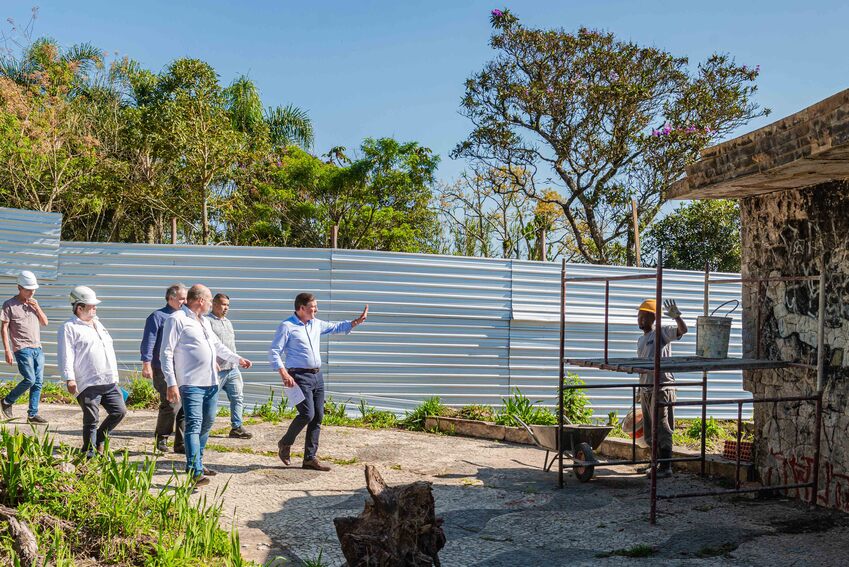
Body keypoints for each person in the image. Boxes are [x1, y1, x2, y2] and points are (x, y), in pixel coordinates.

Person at [160, 284, 252, 486]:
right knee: (193, 424)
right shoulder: (177, 319)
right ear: (200, 300)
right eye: (210, 300)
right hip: (191, 383)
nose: (212, 303)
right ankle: (195, 470)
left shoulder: (204, 322)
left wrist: (237, 359)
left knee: (208, 422)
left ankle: (198, 462)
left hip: (211, 381)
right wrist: (171, 383)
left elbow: (218, 347)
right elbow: (166, 352)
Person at [269, 293, 368, 471]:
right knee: (307, 414)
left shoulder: (316, 324)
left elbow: (336, 327)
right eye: (312, 307)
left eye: (315, 307)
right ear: (301, 308)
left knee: (318, 416)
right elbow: (274, 352)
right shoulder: (287, 326)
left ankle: (309, 458)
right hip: (298, 376)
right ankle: (285, 443)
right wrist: (284, 373)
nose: (316, 310)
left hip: (317, 376)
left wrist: (356, 322)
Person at [58, 286, 127, 458]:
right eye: (91, 306)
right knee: (91, 419)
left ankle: (100, 439)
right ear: (79, 307)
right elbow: (66, 354)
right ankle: (88, 453)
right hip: (88, 381)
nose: (95, 308)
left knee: (119, 411)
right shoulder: (69, 327)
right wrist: (69, 378)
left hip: (109, 380)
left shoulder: (98, 324)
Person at [636, 298, 688, 479]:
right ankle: (655, 464)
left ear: (653, 318)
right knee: (650, 429)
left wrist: (677, 318)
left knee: (662, 427)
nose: (640, 320)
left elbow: (683, 331)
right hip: (646, 389)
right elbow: (642, 367)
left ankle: (666, 467)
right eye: (639, 316)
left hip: (661, 387)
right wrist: (639, 390)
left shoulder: (661, 333)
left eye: (644, 316)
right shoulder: (641, 340)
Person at [140, 284, 187, 454]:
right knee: (171, 402)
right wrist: (146, 364)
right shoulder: (158, 316)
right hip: (162, 368)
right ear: (171, 298)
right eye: (182, 298)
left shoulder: (185, 317)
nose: (185, 301)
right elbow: (148, 341)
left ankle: (181, 443)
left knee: (184, 405)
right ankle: (162, 437)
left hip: (182, 368)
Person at [0, 270, 49, 423]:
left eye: (33, 289)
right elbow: (4, 329)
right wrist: (7, 350)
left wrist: (37, 307)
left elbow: (45, 322)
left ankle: (32, 415)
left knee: (39, 381)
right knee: (30, 379)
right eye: (28, 289)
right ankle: (7, 401)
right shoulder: (9, 305)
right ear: (19, 287)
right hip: (21, 348)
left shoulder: (34, 304)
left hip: (37, 348)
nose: (31, 292)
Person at [208, 293, 251, 439]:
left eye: (228, 305)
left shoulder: (228, 322)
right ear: (213, 304)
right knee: (209, 399)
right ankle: (202, 426)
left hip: (232, 369)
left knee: (237, 397)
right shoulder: (207, 322)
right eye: (223, 304)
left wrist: (238, 360)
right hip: (217, 370)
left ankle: (237, 427)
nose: (226, 308)